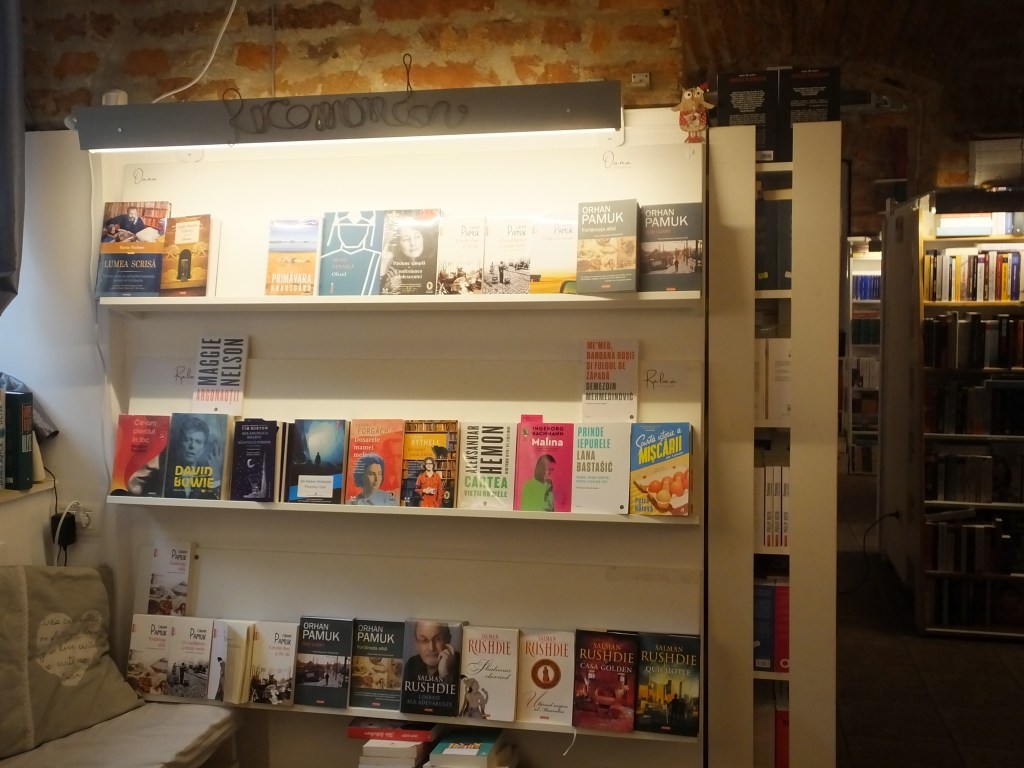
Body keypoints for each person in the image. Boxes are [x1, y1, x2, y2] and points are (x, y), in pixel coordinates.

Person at [166, 415, 221, 499]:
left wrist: (216, 479)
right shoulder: (166, 473)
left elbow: (216, 500)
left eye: (198, 442)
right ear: (180, 442)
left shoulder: (208, 475)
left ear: (203, 448)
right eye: (187, 440)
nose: (192, 446)